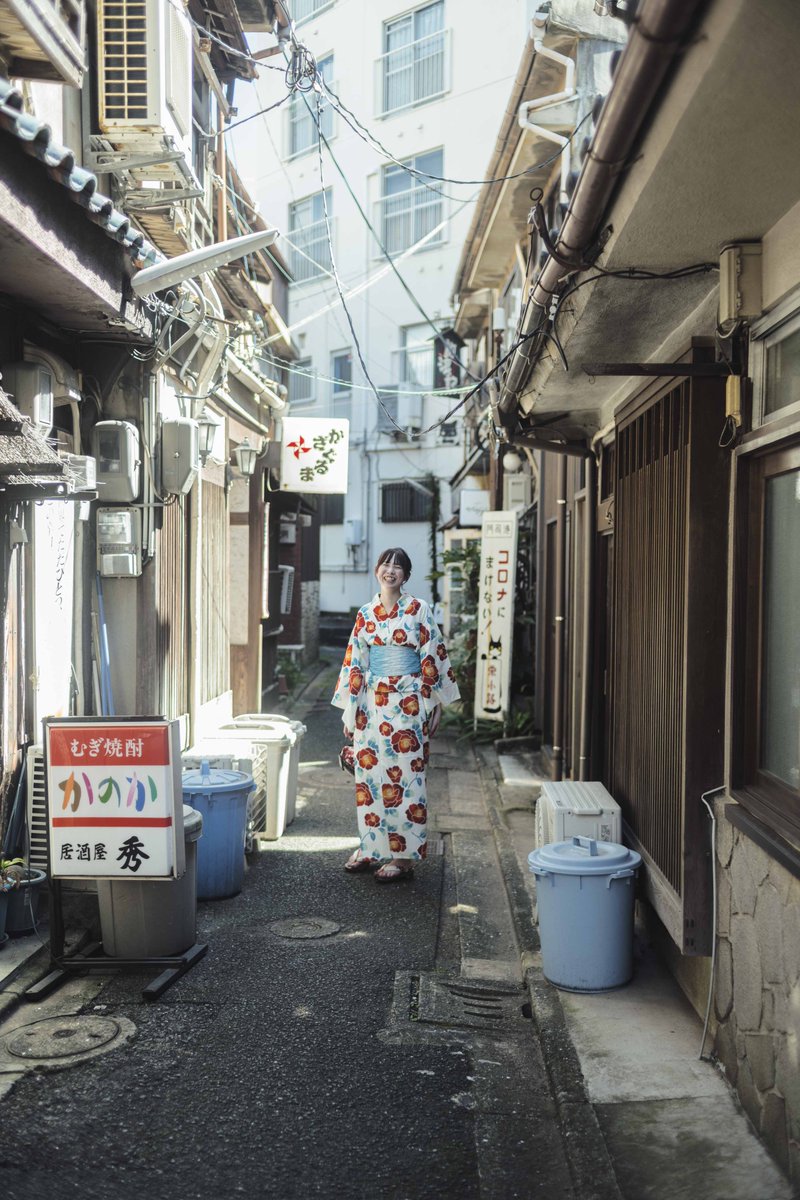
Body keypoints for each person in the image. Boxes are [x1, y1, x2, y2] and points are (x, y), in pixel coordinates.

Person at [332, 547, 460, 883]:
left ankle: (403, 857)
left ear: (405, 575)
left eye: (398, 567)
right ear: (377, 570)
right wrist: (350, 708)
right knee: (371, 779)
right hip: (371, 705)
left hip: (408, 703)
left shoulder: (418, 610)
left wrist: (435, 704)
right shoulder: (366, 612)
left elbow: (433, 653)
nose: (391, 571)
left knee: (406, 778)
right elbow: (355, 662)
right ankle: (371, 846)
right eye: (386, 564)